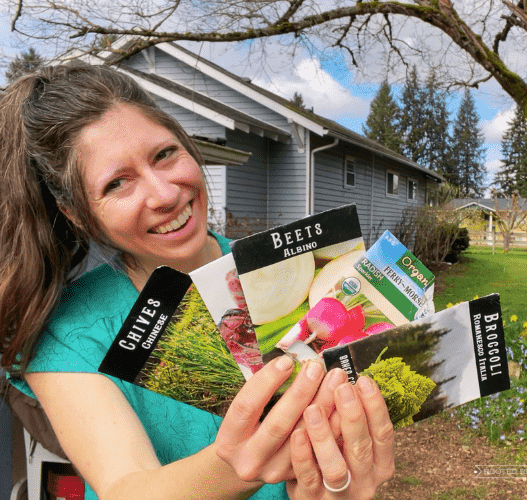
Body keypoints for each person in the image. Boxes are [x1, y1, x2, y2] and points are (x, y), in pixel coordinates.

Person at [0, 63, 395, 500]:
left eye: (164, 154)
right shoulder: (70, 333)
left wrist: (340, 489)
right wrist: (239, 466)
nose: (166, 194)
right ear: (76, 212)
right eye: (117, 183)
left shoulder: (283, 271)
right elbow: (126, 490)